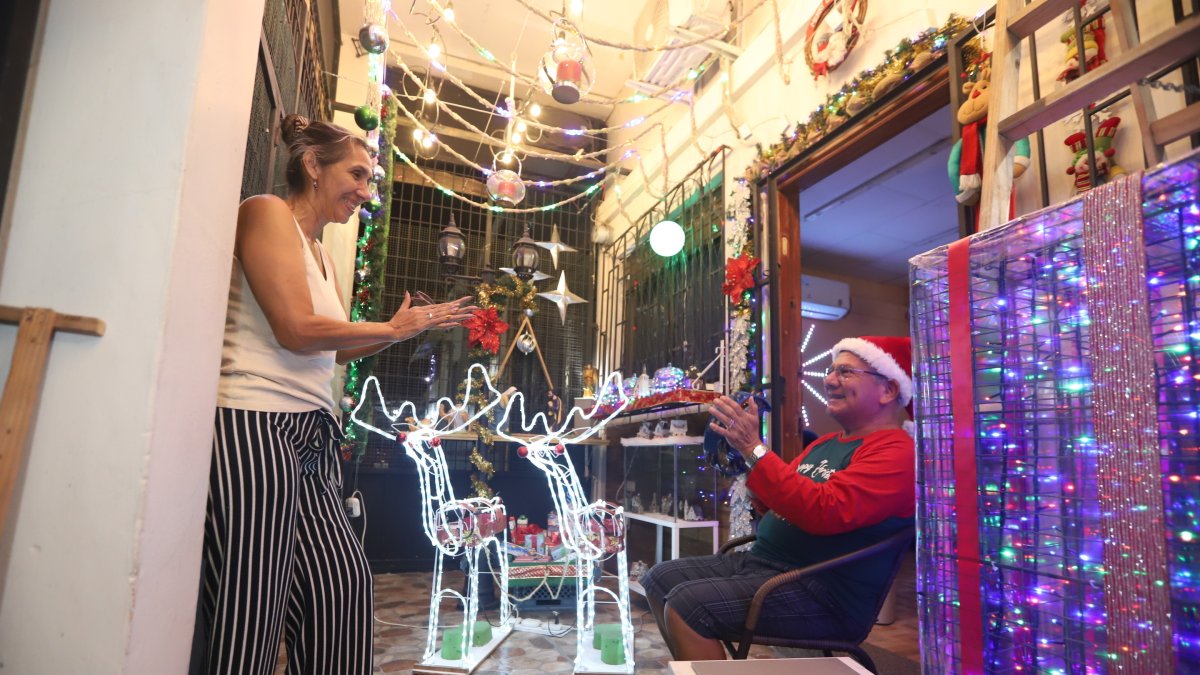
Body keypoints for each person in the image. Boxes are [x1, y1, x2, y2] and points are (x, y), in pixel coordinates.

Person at [192, 114, 476, 675]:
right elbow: (296, 329)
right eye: (357, 175)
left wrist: (403, 331)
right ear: (312, 166)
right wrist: (391, 328)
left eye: (370, 180)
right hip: (255, 424)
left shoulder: (321, 254)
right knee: (251, 602)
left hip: (312, 433)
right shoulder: (266, 213)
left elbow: (338, 349)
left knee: (341, 586)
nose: (366, 192)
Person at [641, 335, 916, 661]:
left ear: (889, 389)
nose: (830, 380)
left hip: (821, 589)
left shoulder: (898, 452)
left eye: (845, 372)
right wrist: (743, 458)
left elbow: (824, 509)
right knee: (658, 578)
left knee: (688, 606)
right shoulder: (824, 444)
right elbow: (782, 499)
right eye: (830, 370)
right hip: (765, 565)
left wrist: (754, 448)